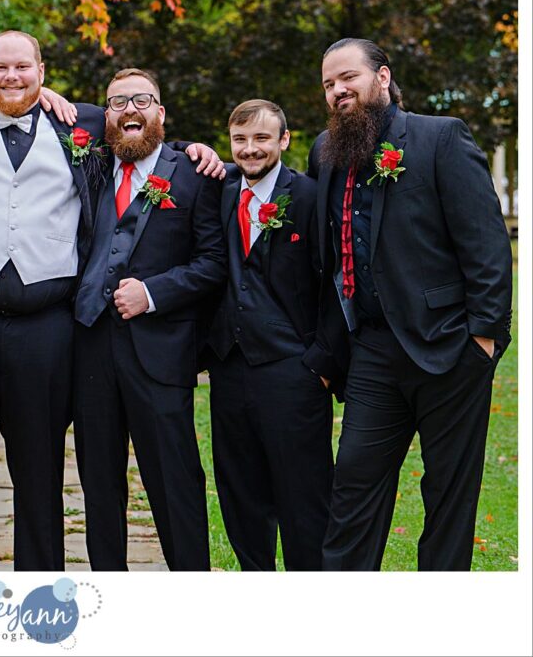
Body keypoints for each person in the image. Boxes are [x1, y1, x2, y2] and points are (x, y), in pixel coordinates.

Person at [0, 31, 225, 570]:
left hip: (45, 331)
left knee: (42, 479)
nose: (11, 77)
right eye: (0, 67)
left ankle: (41, 602)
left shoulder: (85, 122)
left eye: (23, 67)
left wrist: (200, 152)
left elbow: (141, 133)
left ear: (42, 72)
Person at [309, 38, 512, 570]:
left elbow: (486, 242)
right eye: (329, 84)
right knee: (352, 486)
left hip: (451, 348)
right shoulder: (325, 152)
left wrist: (484, 338)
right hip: (372, 352)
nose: (337, 91)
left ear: (382, 77)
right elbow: (325, 253)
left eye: (347, 77)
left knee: (448, 496)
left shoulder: (439, 138)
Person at [71, 68, 226, 570]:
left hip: (160, 353)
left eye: (142, 100)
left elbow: (214, 263)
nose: (130, 109)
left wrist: (153, 293)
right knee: (99, 484)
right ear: (106, 117)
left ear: (160, 111)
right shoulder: (90, 168)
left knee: (175, 481)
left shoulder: (195, 174)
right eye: (118, 103)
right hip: (92, 349)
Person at [205, 99, 343, 571]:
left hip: (294, 371)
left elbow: (336, 280)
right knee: (241, 496)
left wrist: (321, 364)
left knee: (303, 499)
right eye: (240, 139)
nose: (250, 149)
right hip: (229, 367)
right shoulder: (220, 190)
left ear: (284, 140)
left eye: (262, 138)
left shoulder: (307, 196)